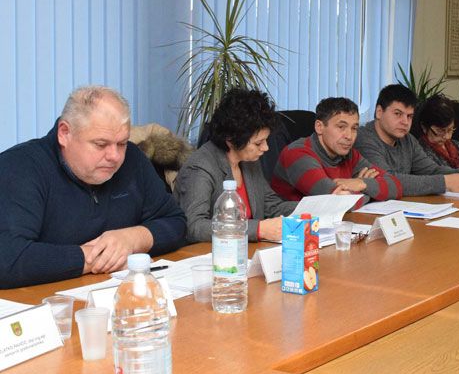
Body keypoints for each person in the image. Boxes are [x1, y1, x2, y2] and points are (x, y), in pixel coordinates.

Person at [0, 86, 186, 289]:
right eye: (100, 144)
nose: (114, 156)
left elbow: (175, 222)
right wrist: (97, 257)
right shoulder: (19, 167)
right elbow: (9, 258)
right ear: (65, 133)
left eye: (121, 143)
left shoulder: (132, 159)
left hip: (115, 294)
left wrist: (132, 239)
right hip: (41, 302)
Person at [174, 89, 297, 243]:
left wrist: (314, 208)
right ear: (231, 140)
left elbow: (271, 206)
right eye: (258, 143)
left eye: (266, 140)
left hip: (245, 249)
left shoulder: (248, 160)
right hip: (211, 252)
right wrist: (259, 229)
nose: (266, 148)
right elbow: (194, 227)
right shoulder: (200, 167)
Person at [355, 85, 459, 196]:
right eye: (397, 114)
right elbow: (386, 181)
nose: (405, 122)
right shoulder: (363, 139)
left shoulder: (408, 140)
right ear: (379, 112)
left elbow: (431, 170)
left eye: (409, 116)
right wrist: (446, 182)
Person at [271, 97, 402, 202]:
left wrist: (362, 183)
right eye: (341, 127)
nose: (349, 136)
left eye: (354, 128)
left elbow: (395, 186)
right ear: (319, 127)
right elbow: (337, 202)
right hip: (293, 226)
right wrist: (372, 191)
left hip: (336, 222)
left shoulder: (350, 154)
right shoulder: (297, 154)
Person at [416, 94, 459, 170]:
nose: (447, 137)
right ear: (424, 127)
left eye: (450, 130)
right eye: (440, 131)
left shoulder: (456, 145)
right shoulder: (419, 152)